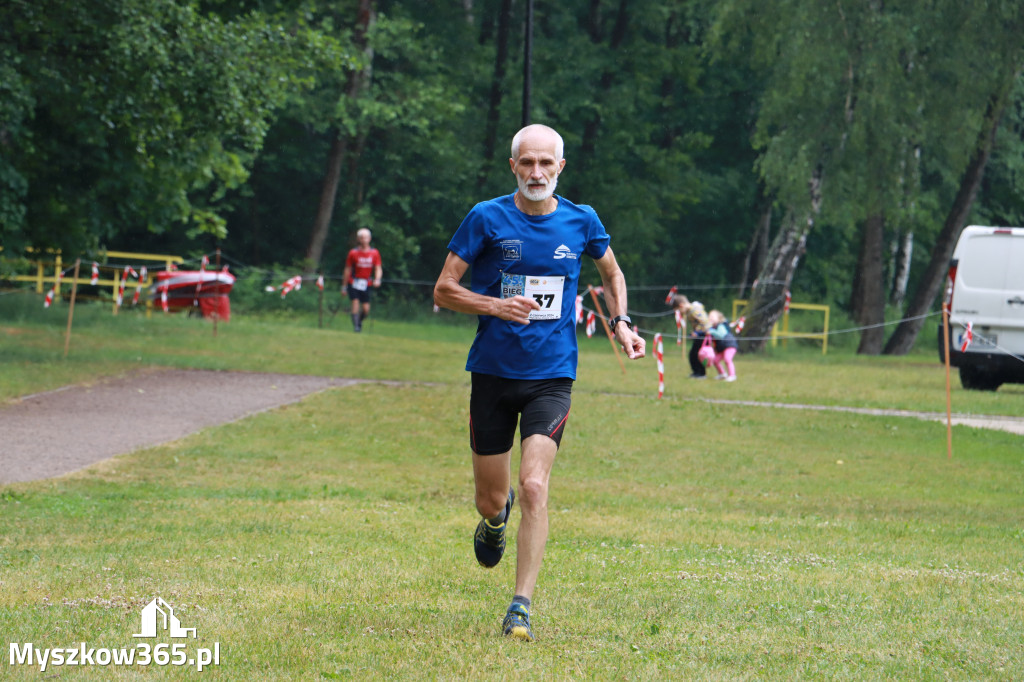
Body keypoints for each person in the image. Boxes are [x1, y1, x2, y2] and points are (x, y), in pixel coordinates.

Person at [433, 123, 645, 642]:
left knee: (533, 485)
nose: (536, 172)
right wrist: (494, 306)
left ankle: (520, 606)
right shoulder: (487, 217)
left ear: (560, 167)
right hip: (492, 375)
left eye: (545, 163)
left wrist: (621, 323)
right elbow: (443, 289)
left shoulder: (582, 220)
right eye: (526, 162)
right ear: (513, 167)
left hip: (552, 376)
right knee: (493, 497)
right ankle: (493, 522)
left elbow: (612, 274)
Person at [341, 228, 382, 332]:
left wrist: (377, 279)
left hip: (366, 283)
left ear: (370, 239)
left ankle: (359, 321)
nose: (364, 240)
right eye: (362, 237)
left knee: (366, 309)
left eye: (366, 237)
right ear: (358, 239)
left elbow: (377, 268)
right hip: (353, 282)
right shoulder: (353, 253)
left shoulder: (374, 253)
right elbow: (347, 269)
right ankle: (357, 327)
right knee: (355, 303)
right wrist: (344, 286)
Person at [672, 294, 710, 378]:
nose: (680, 313)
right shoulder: (690, 311)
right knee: (693, 354)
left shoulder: (695, 310)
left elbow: (705, 322)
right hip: (699, 334)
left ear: (681, 305)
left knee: (697, 354)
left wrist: (697, 332)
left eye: (679, 310)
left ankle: (701, 373)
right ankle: (696, 372)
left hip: (703, 335)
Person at [706, 309, 739, 381]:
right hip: (722, 348)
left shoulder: (721, 325)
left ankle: (732, 376)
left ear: (719, 318)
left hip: (729, 345)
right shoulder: (712, 328)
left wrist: (711, 331)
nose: (710, 318)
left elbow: (720, 335)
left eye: (712, 316)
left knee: (727, 359)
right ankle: (722, 374)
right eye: (709, 316)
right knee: (715, 360)